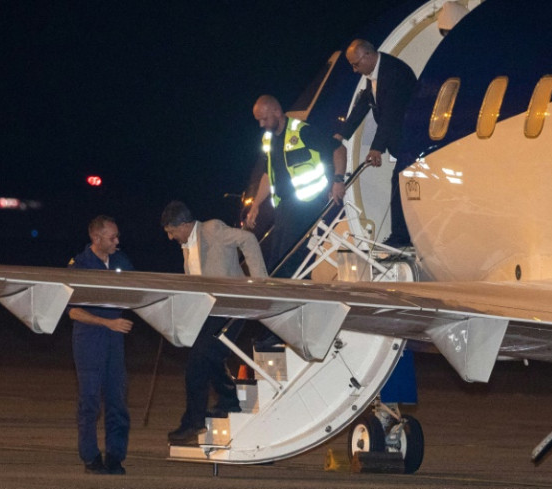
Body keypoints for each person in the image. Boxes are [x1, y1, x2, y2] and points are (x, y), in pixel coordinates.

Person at [161, 200, 268, 444]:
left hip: (232, 307)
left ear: (185, 225)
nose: (170, 237)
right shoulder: (187, 246)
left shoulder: (212, 229)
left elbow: (248, 240)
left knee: (199, 359)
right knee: (207, 357)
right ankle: (229, 399)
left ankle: (194, 421)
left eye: (171, 231)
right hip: (211, 312)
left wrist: (260, 283)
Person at [247, 94, 347, 277]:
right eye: (258, 120)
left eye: (264, 119)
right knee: (276, 258)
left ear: (277, 112)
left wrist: (338, 180)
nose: (261, 125)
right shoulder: (268, 140)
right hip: (284, 206)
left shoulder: (302, 131)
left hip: (308, 203)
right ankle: (287, 296)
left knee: (289, 257)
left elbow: (339, 149)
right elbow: (268, 175)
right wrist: (256, 205)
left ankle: (292, 297)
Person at [67, 215, 135, 475]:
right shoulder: (80, 265)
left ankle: (115, 456)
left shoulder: (121, 261)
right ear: (96, 238)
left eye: (117, 236)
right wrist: (108, 323)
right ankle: (90, 457)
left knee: (118, 402)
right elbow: (72, 311)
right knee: (90, 402)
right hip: (89, 342)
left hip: (115, 342)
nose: (117, 241)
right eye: (112, 237)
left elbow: (138, 291)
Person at [334, 39, 417, 248]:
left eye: (355, 64)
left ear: (368, 56)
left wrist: (376, 148)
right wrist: (341, 135)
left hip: (412, 139)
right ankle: (402, 235)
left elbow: (391, 114)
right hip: (401, 141)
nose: (354, 70)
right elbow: (364, 104)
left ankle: (401, 237)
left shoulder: (394, 73)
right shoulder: (374, 73)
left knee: (398, 182)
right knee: (400, 182)